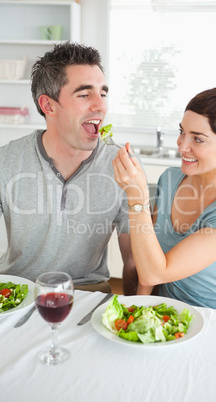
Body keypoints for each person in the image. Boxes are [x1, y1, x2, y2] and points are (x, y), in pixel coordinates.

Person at [0, 42, 137, 294]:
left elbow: (133, 262)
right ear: (48, 105)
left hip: (88, 291)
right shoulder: (6, 160)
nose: (100, 105)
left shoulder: (122, 165)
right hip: (18, 291)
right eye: (85, 95)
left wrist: (132, 314)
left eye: (103, 93)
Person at [113, 86, 216, 313]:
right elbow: (149, 257)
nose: (182, 146)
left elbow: (156, 271)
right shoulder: (170, 178)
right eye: (182, 132)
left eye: (198, 139)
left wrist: (137, 196)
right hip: (170, 315)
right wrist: (138, 310)